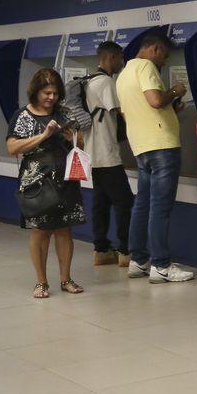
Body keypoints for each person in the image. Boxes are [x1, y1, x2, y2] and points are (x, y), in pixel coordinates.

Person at [117, 31, 195, 283]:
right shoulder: (146, 67)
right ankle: (161, 265)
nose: (163, 62)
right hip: (162, 146)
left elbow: (138, 110)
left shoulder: (124, 73)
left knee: (143, 204)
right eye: (164, 56)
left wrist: (171, 108)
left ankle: (138, 261)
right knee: (160, 207)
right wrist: (175, 90)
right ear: (155, 49)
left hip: (141, 146)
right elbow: (154, 100)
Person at [8, 68, 87, 298]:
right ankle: (41, 282)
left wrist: (72, 138)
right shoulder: (23, 116)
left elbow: (80, 143)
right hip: (37, 181)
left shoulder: (64, 112)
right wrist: (43, 136)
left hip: (65, 178)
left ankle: (66, 279)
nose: (51, 97)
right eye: (46, 93)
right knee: (41, 231)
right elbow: (12, 147)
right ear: (36, 92)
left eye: (54, 93)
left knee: (64, 229)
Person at [85, 41, 133, 268]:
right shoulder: (105, 82)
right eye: (120, 58)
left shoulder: (90, 80)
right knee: (124, 201)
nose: (121, 63)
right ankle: (125, 250)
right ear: (111, 57)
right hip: (107, 153)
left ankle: (101, 249)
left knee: (101, 201)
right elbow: (122, 114)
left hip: (93, 153)